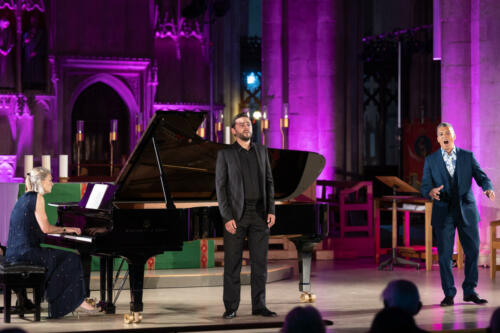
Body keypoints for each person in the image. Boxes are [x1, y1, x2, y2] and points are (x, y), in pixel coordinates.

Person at [421, 122, 494, 307]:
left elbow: (482, 177)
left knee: (473, 251)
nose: (444, 136)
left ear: (453, 136)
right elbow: (424, 186)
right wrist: (431, 192)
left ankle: (469, 291)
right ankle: (449, 294)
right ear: (437, 139)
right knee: (445, 256)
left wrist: (487, 188)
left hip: (466, 210)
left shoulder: (467, 157)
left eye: (447, 133)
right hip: (443, 211)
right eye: (441, 134)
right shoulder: (431, 160)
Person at [5, 167, 95, 318]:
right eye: (50, 180)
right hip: (27, 254)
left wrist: (61, 232)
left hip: (14, 253)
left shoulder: (24, 197)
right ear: (40, 181)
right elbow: (46, 229)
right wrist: (67, 229)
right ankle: (72, 301)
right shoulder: (37, 198)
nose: (53, 183)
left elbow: (33, 230)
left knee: (59, 256)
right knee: (71, 257)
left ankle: (61, 300)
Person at [215, 112, 276, 319]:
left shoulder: (262, 151)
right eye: (241, 124)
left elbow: (269, 182)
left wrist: (271, 209)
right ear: (233, 131)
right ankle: (231, 307)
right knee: (232, 264)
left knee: (260, 263)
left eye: (248, 124)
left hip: (260, 214)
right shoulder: (226, 154)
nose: (245, 127)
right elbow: (221, 188)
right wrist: (227, 217)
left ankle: (259, 306)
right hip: (236, 216)